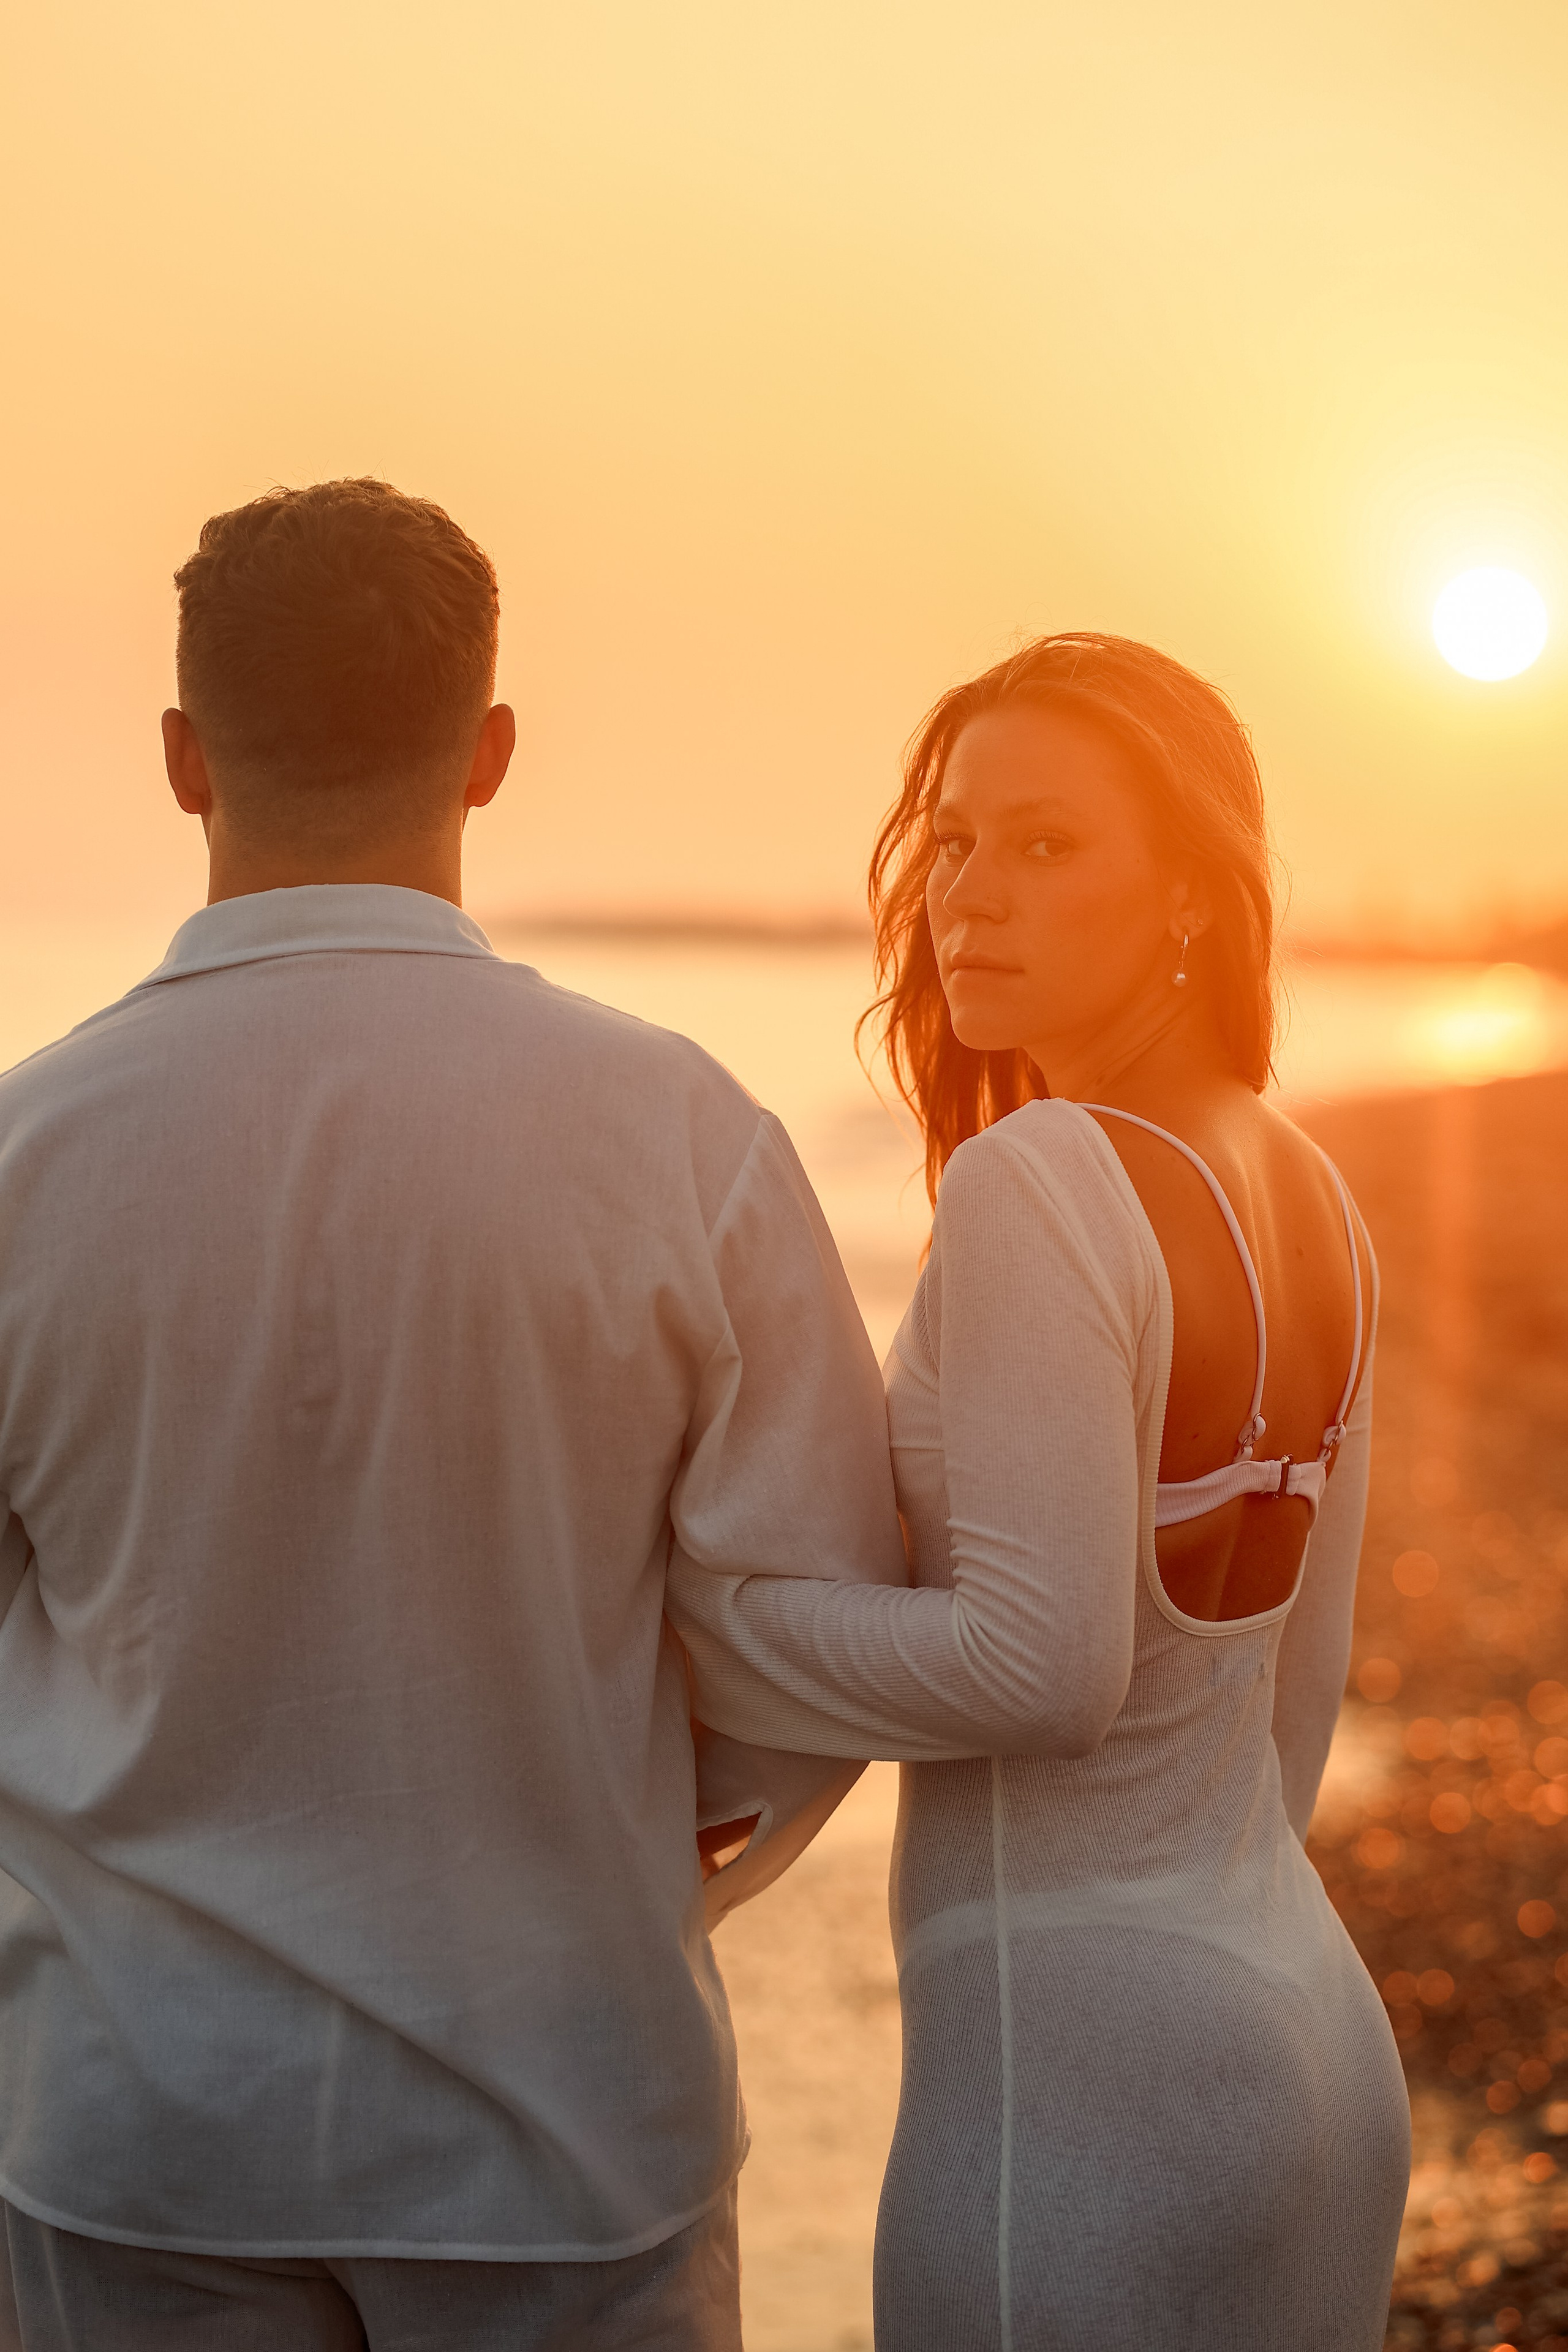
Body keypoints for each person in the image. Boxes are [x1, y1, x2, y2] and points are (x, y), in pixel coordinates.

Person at [0, 478, 908, 2349]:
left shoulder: (26, 1155)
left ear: (182, 757)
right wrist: (621, 1855)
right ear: (491, 754)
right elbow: (817, 1646)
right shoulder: (681, 1135)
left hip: (137, 2127)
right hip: (564, 2124)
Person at [676, 635, 1412, 2350]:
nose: (970, 898)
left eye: (1047, 845)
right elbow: (1294, 1695)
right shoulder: (1315, 1191)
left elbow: (1041, 1668)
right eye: (952, 843)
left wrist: (696, 1614)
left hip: (1089, 2084)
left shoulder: (1042, 1184)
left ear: (1189, 901)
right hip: (1302, 2033)